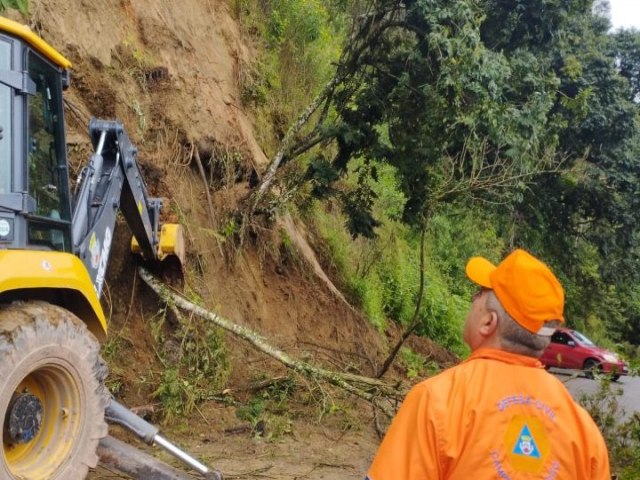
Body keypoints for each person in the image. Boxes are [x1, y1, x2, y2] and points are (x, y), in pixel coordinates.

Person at [366, 248, 610, 480]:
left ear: (488, 322)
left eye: (480, 291)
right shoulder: (584, 433)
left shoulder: (437, 402)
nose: (474, 297)